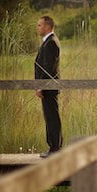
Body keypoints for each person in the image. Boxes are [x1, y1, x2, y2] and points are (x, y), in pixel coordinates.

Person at [35, 16, 62, 158]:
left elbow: (48, 68)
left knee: (52, 117)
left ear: (47, 27)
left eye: (39, 25)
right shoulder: (48, 42)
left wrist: (41, 87)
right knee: (50, 116)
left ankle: (55, 149)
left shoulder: (51, 43)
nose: (37, 28)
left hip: (49, 87)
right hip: (48, 87)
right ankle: (54, 147)